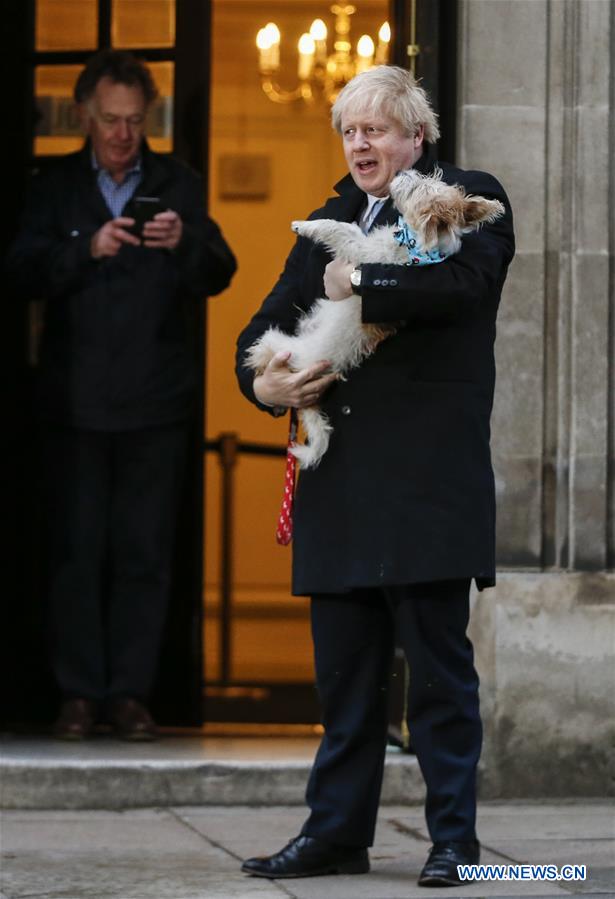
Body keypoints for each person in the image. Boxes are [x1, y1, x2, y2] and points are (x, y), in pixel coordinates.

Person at [235, 66, 514, 887]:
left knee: (436, 679)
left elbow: (463, 284)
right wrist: (264, 383)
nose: (360, 144)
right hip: (341, 485)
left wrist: (357, 277)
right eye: (349, 131)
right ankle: (334, 834)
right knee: (345, 684)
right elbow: (263, 322)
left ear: (415, 134)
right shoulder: (326, 218)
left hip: (427, 484)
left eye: (376, 129)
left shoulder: (466, 197)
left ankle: (456, 843)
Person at [7, 50, 236, 741]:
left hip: (156, 404)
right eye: (110, 121)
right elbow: (19, 271)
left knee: (143, 554)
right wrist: (86, 249)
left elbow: (221, 270)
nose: (122, 135)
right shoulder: (53, 189)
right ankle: (79, 694)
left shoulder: (178, 183)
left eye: (135, 122)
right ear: (85, 116)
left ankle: (131, 695)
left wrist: (183, 240)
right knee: (76, 553)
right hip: (72, 404)